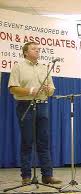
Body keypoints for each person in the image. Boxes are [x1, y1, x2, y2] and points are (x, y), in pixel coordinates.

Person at [8, 42, 62, 185]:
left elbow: (51, 90)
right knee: (27, 142)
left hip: (42, 106)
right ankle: (26, 176)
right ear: (25, 52)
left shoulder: (44, 68)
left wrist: (48, 89)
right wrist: (31, 91)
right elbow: (13, 88)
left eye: (39, 49)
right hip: (25, 105)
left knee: (43, 142)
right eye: (34, 49)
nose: (38, 50)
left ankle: (47, 175)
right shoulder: (18, 67)